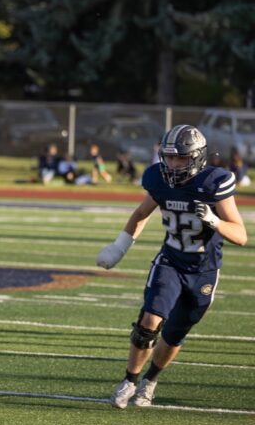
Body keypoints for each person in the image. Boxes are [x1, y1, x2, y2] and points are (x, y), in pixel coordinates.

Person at [97, 125, 247, 409]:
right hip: (171, 261)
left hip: (204, 270)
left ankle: (150, 381)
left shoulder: (214, 182)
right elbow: (141, 213)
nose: (173, 164)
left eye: (180, 158)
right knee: (148, 323)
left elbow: (240, 235)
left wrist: (214, 221)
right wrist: (119, 247)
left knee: (175, 333)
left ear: (197, 157)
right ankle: (129, 380)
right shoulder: (159, 179)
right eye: (169, 157)